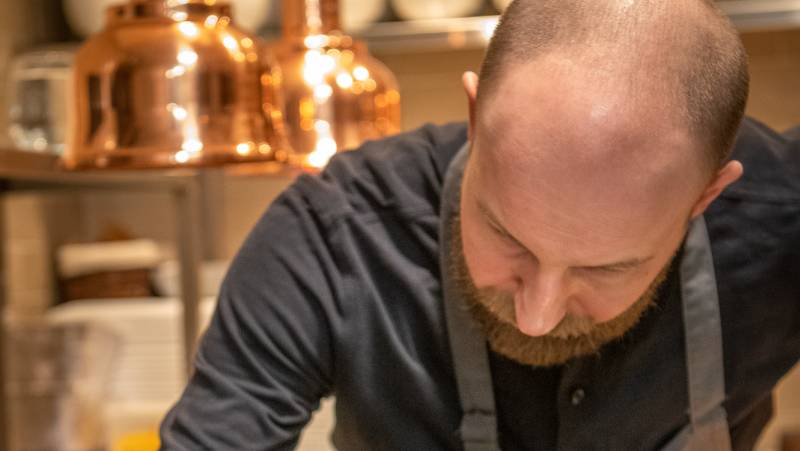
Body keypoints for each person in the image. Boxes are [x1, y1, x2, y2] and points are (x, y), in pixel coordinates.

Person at [160, 0, 800, 449]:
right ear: (474, 117)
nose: (537, 316)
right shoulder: (335, 234)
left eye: (606, 267)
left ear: (705, 197)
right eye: (507, 238)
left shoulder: (784, 220)